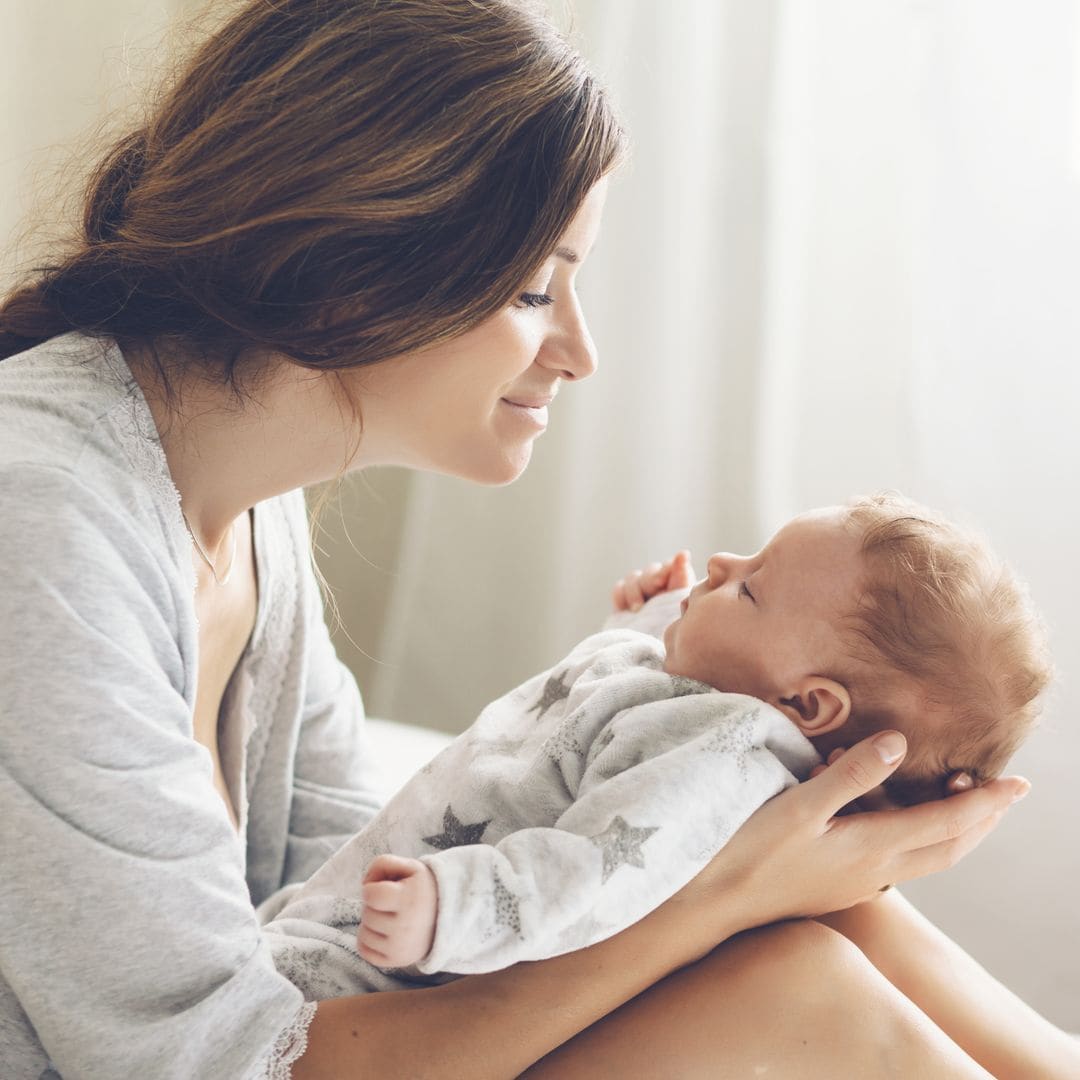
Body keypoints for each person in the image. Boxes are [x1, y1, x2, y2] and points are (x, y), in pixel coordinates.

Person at [0, 2, 1067, 1078]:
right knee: (795, 983)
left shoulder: (236, 504)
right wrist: (718, 896)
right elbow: (226, 1061)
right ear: (354, 263)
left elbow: (348, 875)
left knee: (815, 928)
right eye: (533, 288)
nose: (578, 349)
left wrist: (740, 835)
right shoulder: (44, 525)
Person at [256, 493, 1077, 1080]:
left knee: (811, 946)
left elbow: (587, 863)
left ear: (805, 704)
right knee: (809, 951)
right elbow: (595, 740)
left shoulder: (721, 754)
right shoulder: (714, 714)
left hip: (417, 952)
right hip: (364, 999)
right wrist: (649, 626)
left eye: (750, 585)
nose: (720, 563)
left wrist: (456, 909)